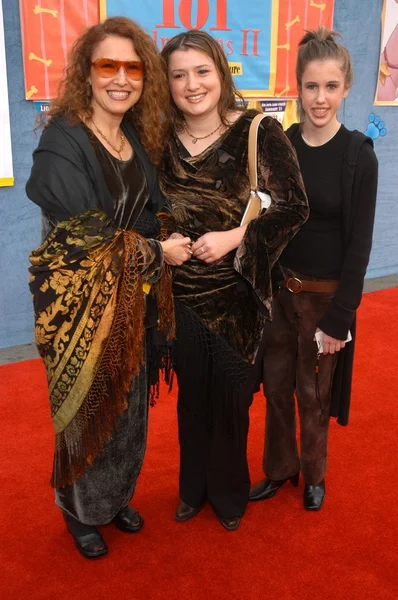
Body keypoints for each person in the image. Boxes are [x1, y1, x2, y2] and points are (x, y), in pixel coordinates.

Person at [26, 17, 191, 559]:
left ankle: (114, 497)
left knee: (126, 409)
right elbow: (86, 238)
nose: (121, 78)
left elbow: (147, 212)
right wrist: (155, 253)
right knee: (86, 409)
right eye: (107, 66)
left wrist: (167, 230)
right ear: (87, 73)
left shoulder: (132, 139)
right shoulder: (62, 140)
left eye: (133, 67)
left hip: (130, 304)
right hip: (77, 311)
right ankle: (79, 512)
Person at [159, 30, 309, 531]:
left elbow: (293, 207)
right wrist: (165, 239)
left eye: (201, 71)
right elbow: (146, 208)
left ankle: (227, 495)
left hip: (239, 296)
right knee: (192, 400)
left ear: (221, 73)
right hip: (180, 295)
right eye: (178, 75)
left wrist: (235, 237)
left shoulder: (259, 130)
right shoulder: (158, 136)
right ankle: (192, 490)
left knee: (232, 399)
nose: (191, 84)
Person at [250, 26, 378, 511]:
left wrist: (340, 317)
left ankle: (314, 475)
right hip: (280, 295)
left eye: (330, 87)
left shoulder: (357, 156)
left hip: (326, 300)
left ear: (345, 88)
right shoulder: (280, 144)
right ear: (296, 87)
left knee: (314, 393)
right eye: (310, 86)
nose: (319, 98)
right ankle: (280, 469)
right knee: (277, 386)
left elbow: (361, 246)